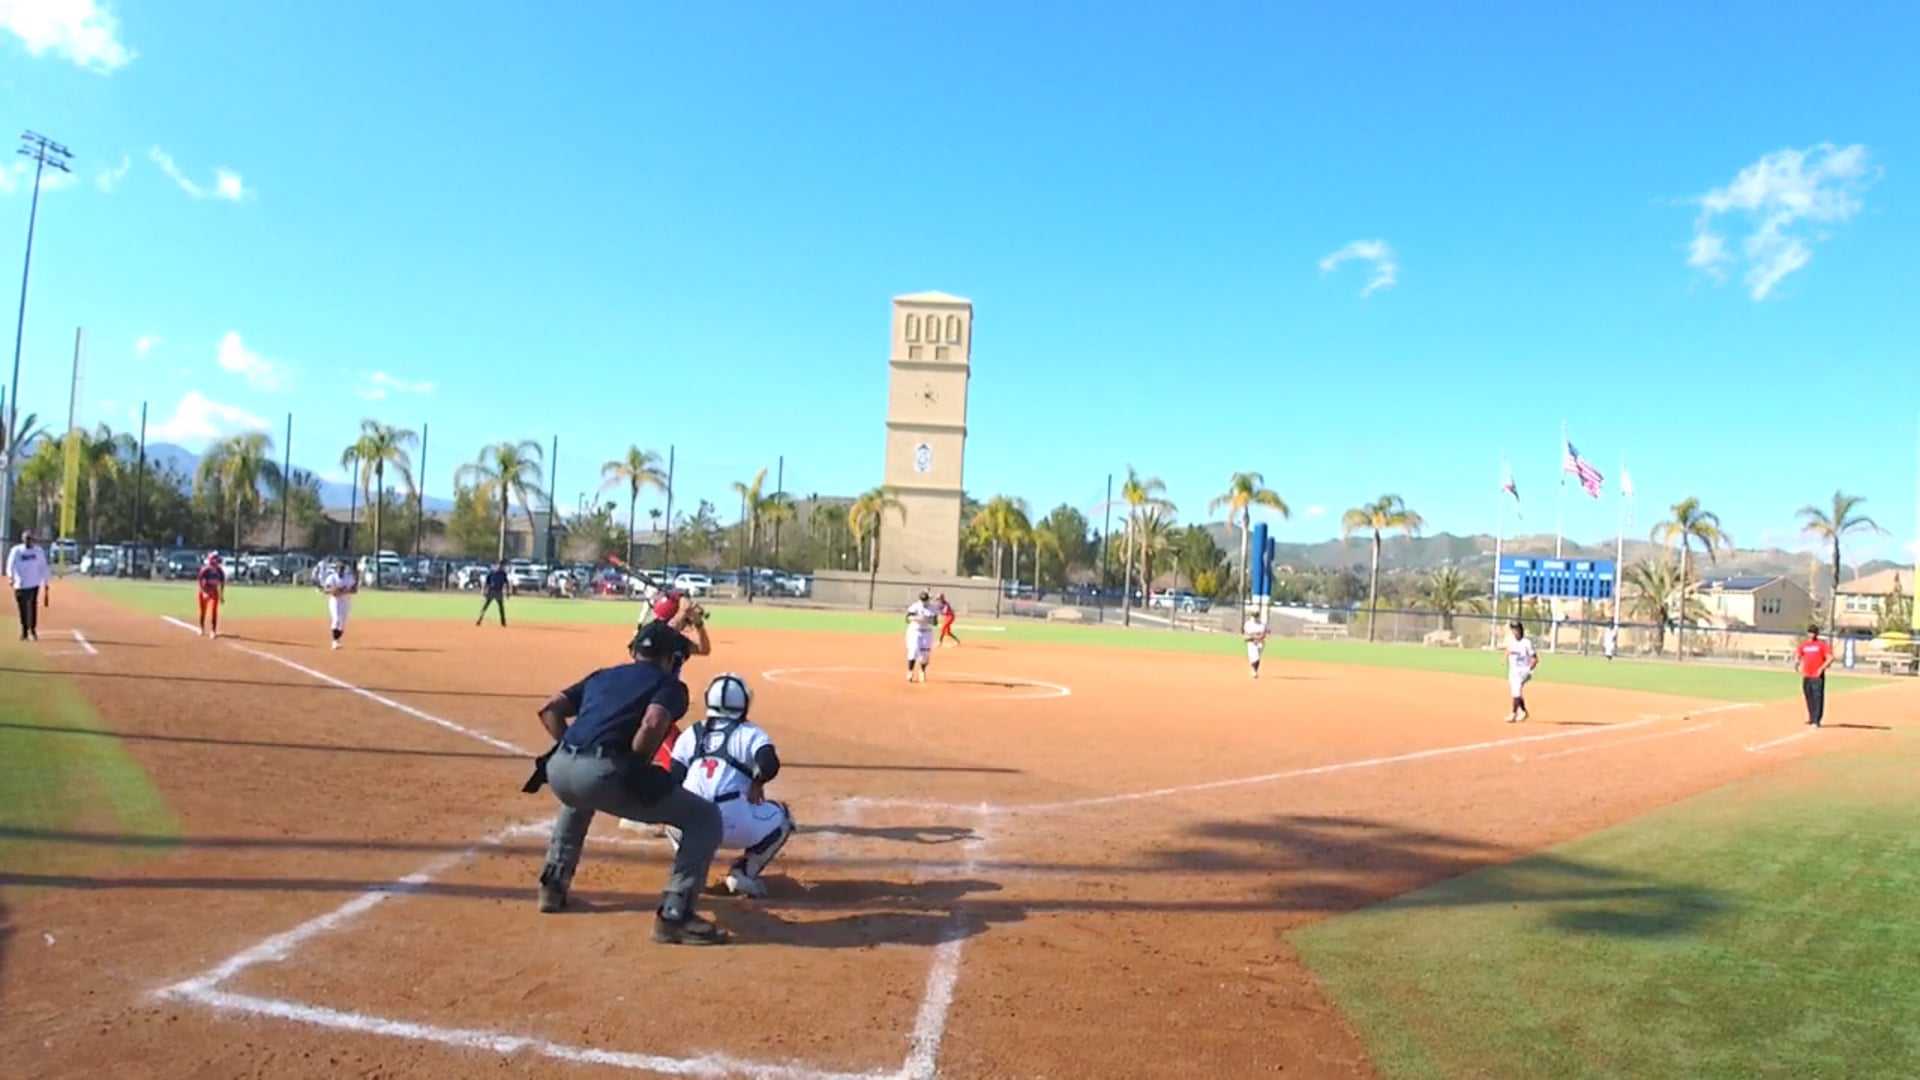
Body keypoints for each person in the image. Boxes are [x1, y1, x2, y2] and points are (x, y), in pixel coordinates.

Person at [529, 621, 729, 944]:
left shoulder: (603, 675)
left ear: (635, 651)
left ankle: (552, 887)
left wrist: (571, 748)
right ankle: (675, 916)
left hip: (559, 768)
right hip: (601, 773)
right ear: (670, 658)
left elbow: (549, 709)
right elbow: (653, 721)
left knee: (578, 798)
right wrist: (635, 764)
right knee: (704, 818)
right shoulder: (669, 685)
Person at [663, 673, 795, 900]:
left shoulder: (692, 733)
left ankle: (693, 868)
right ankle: (743, 873)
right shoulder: (750, 732)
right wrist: (757, 782)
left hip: (694, 825)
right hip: (737, 827)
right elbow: (769, 764)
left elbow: (673, 778)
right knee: (784, 817)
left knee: (671, 812)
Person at [4, 529, 49, 642]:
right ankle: (24, 630)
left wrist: (46, 581)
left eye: (30, 539)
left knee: (32, 606)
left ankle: (32, 630)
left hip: (33, 583)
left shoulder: (38, 551)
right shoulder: (16, 550)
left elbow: (43, 566)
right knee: (22, 608)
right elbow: (10, 565)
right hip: (20, 584)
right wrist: (10, 577)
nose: (28, 541)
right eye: (26, 539)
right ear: (22, 539)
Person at [1796, 624, 1834, 728]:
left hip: (1817, 676)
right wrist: (1797, 663)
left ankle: (1817, 720)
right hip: (1807, 675)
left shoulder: (1821, 645)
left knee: (1817, 697)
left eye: (1813, 632)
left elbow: (1830, 657)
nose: (1811, 634)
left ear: (1816, 634)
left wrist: (1822, 668)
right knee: (1809, 696)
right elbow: (1798, 654)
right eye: (1810, 632)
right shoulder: (1804, 645)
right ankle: (1811, 717)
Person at [317, 557, 358, 649]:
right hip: (335, 601)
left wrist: (346, 590)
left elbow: (354, 590)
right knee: (336, 619)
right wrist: (335, 590)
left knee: (342, 624)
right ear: (336, 569)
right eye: (339, 568)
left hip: (345, 601)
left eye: (342, 568)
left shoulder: (348, 578)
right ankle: (334, 641)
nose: (341, 570)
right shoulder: (332, 577)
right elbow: (327, 590)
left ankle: (337, 639)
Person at [1502, 620, 1538, 723]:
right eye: (1513, 629)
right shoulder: (1511, 642)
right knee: (1516, 692)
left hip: (1523, 671)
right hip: (1513, 671)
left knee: (1516, 692)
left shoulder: (1526, 643)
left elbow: (1535, 659)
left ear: (1520, 630)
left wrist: (1529, 671)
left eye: (1516, 629)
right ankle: (1523, 711)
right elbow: (1508, 650)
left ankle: (1513, 713)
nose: (1514, 632)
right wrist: (1504, 659)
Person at [905, 590, 939, 683]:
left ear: (928, 599)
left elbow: (935, 622)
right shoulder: (915, 606)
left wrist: (926, 620)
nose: (924, 602)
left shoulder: (933, 608)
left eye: (925, 600)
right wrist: (917, 618)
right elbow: (907, 618)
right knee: (913, 650)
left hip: (927, 632)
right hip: (914, 631)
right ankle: (910, 671)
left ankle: (922, 671)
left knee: (925, 655)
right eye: (922, 600)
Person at [196, 552, 228, 638]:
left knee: (214, 610)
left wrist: (221, 595)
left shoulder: (220, 571)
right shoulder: (205, 570)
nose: (217, 563)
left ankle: (213, 630)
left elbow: (222, 584)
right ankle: (201, 627)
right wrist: (204, 592)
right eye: (215, 560)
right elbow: (200, 582)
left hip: (213, 592)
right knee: (203, 611)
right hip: (204, 591)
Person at [477, 561, 509, 626]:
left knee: (501, 607)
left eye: (502, 566)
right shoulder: (492, 573)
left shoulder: (503, 574)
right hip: (491, 591)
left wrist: (507, 592)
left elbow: (506, 583)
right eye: (501, 566)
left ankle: (503, 622)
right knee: (486, 606)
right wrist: (484, 590)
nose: (501, 567)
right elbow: (487, 582)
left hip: (498, 591)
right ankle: (479, 619)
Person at [1243, 610, 1268, 679]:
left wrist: (1257, 638)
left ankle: (1254, 670)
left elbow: (1263, 634)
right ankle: (1254, 670)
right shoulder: (1248, 624)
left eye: (1256, 616)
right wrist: (1251, 638)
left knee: (1257, 657)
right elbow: (1246, 634)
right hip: (1251, 642)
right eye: (1253, 616)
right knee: (1253, 657)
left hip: (1260, 642)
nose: (1254, 617)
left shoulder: (1262, 624)